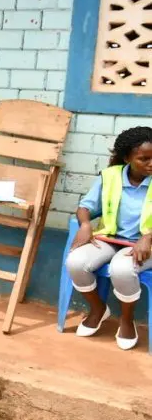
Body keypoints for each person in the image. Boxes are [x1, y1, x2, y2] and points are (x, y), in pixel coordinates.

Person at [65, 126, 152, 351]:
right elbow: (86, 206)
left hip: (145, 245)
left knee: (122, 268)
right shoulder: (110, 176)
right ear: (127, 158)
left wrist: (148, 237)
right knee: (75, 261)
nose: (151, 163)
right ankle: (98, 309)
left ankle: (126, 319)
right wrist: (85, 224)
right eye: (144, 159)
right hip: (111, 238)